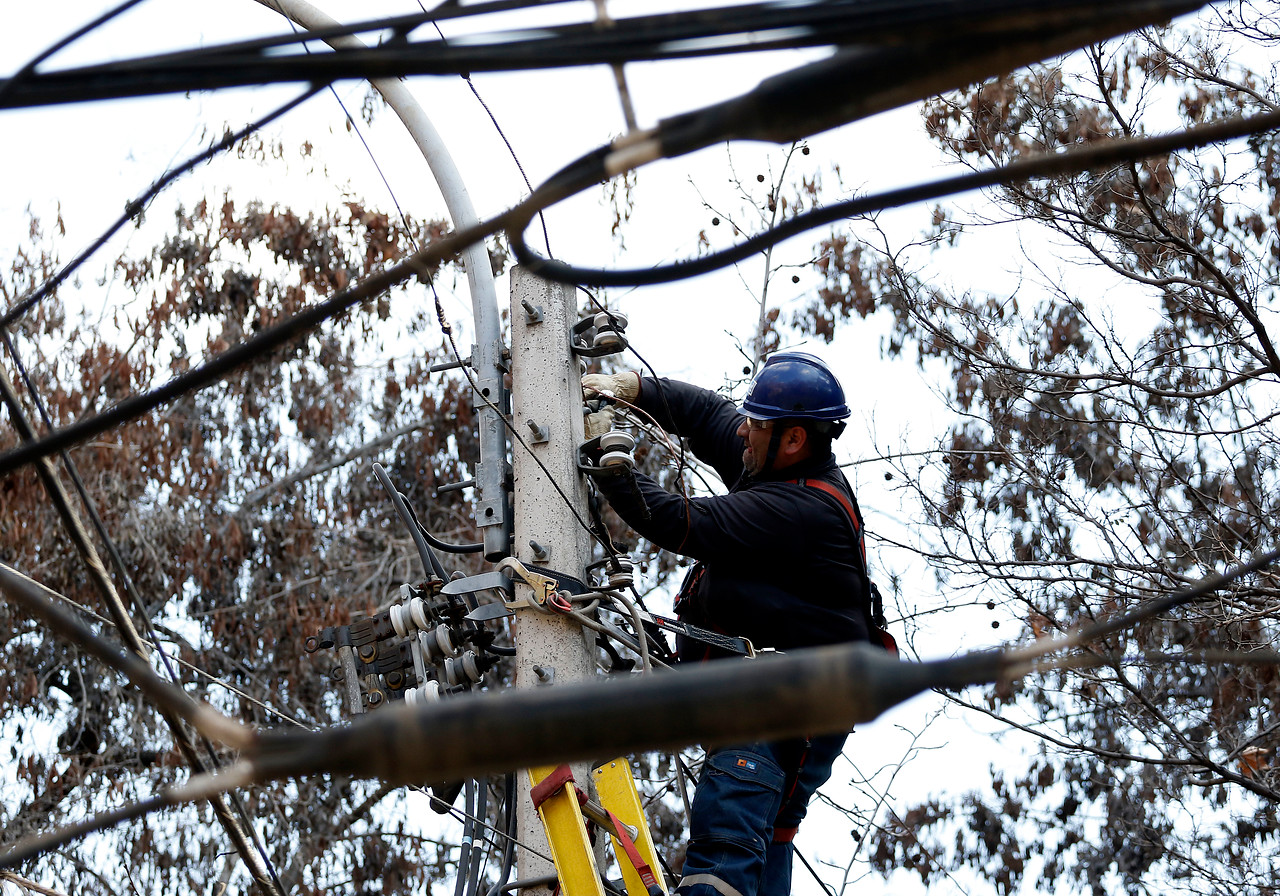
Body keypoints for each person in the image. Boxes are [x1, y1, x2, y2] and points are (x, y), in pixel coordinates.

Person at [582, 351, 878, 896]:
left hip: (785, 707)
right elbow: (707, 415)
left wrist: (609, 464)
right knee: (769, 833)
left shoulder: (805, 512)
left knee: (731, 819)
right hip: (787, 701)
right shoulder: (771, 457)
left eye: (757, 425)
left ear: (793, 440)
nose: (744, 432)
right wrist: (637, 389)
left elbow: (683, 521)